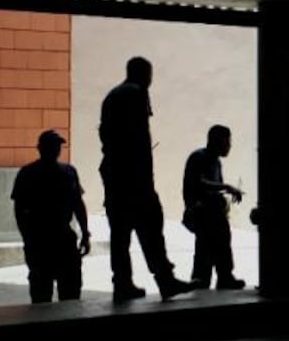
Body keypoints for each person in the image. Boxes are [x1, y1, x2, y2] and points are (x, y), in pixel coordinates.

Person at [99, 56, 194, 302]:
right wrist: (146, 181)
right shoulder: (137, 93)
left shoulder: (112, 96)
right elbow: (139, 139)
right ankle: (165, 280)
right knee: (152, 228)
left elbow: (105, 134)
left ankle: (122, 283)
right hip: (135, 179)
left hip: (114, 176)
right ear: (144, 74)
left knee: (120, 236)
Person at [11, 130, 91, 303]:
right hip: (49, 239)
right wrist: (85, 233)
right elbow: (19, 210)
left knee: (52, 293)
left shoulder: (29, 173)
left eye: (57, 146)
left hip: (49, 239)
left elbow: (78, 204)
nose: (56, 149)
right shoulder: (66, 172)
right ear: (41, 148)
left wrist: (85, 233)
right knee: (58, 294)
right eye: (54, 146)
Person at [183, 125, 246, 290]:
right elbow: (199, 182)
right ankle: (203, 281)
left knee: (222, 244)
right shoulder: (199, 157)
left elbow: (214, 186)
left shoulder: (215, 161)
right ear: (217, 141)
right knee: (206, 249)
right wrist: (226, 187)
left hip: (213, 213)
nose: (229, 145)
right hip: (203, 214)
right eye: (227, 141)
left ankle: (224, 277)